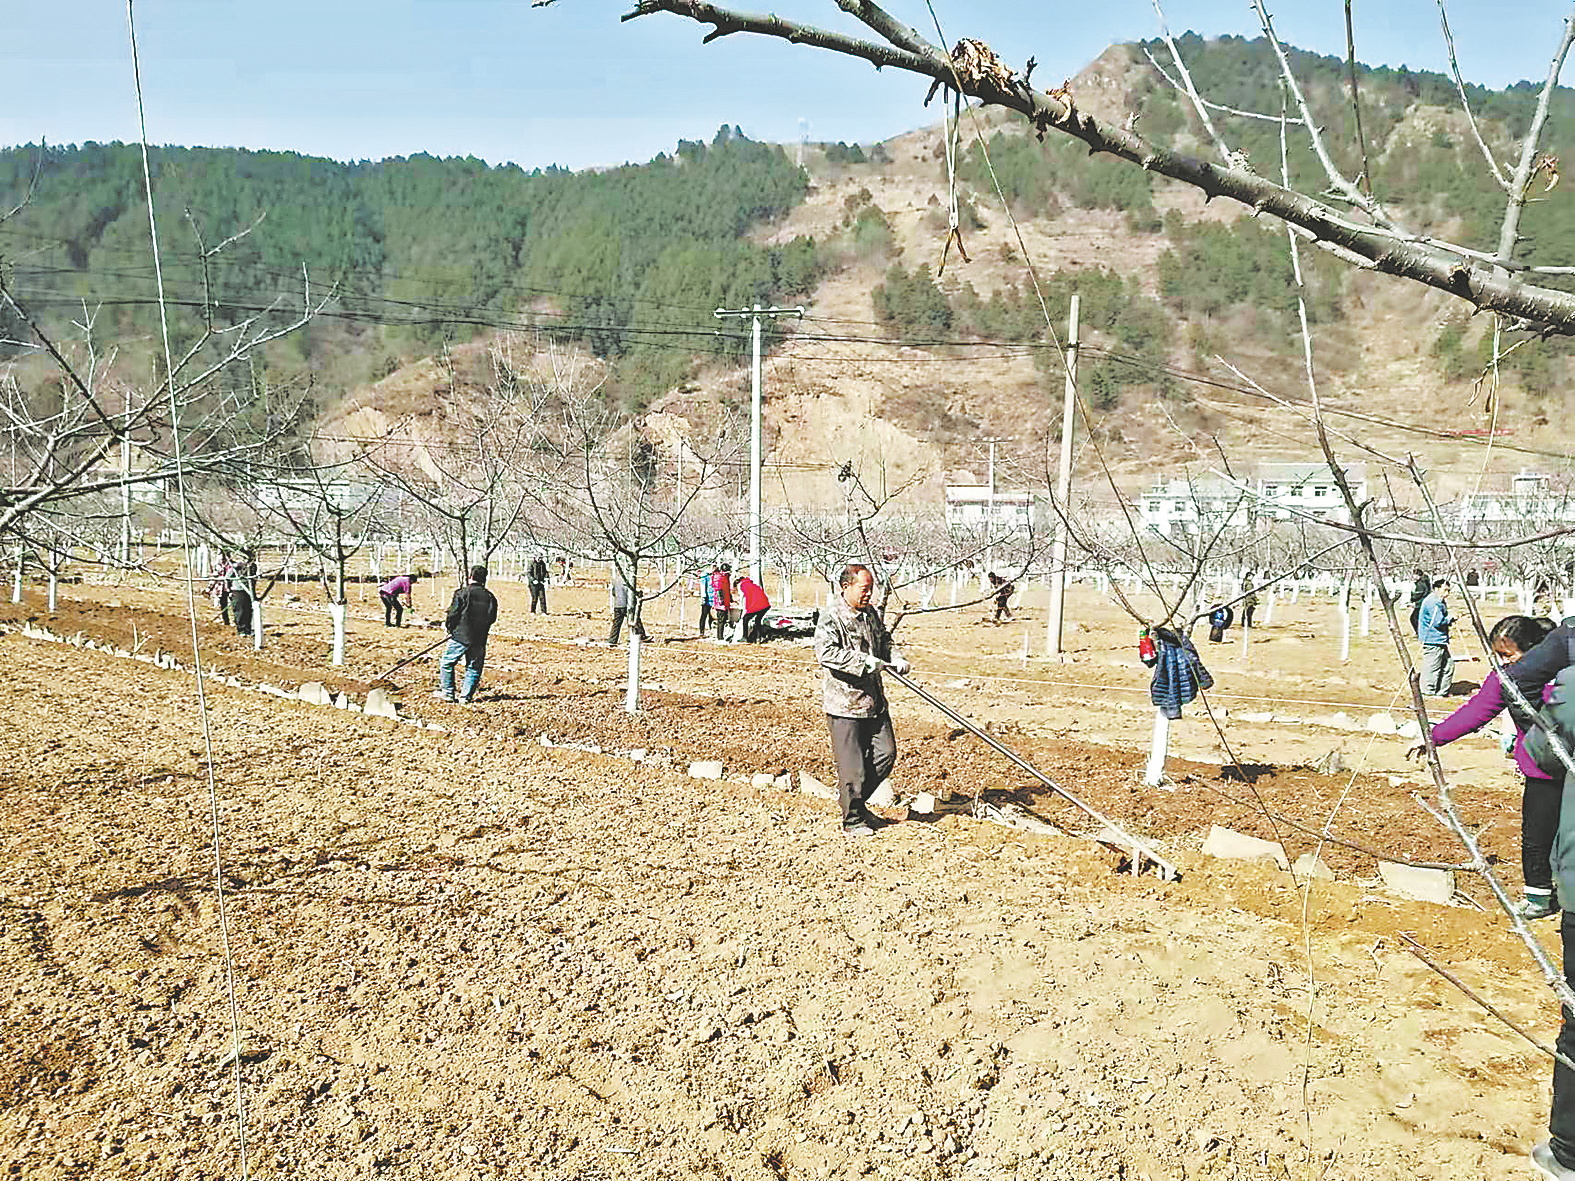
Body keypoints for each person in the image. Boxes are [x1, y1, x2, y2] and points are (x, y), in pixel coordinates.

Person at [1405, 615, 1559, 920]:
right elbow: (1475, 712)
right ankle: (1539, 896)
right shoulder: (1505, 680)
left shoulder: (1563, 676)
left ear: (1536, 651)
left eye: (1508, 654)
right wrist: (1433, 737)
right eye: (1498, 655)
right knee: (1537, 833)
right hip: (1542, 769)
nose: (1503, 661)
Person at [814, 564, 910, 837]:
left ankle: (852, 802)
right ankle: (853, 820)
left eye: (871, 589)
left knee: (886, 754)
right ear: (846, 587)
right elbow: (826, 653)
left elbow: (884, 640)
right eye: (864, 589)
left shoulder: (870, 614)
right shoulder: (832, 616)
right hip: (845, 705)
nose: (869, 594)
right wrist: (863, 662)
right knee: (852, 768)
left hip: (874, 702)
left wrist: (895, 657)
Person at [435, 565, 498, 705]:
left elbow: (453, 614)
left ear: (470, 576)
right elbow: (492, 618)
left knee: (447, 663)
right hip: (479, 638)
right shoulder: (490, 597)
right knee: (474, 667)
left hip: (460, 636)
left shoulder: (462, 593)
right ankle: (465, 697)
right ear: (485, 579)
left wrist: (450, 628)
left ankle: (448, 693)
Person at [1417, 578, 1455, 696]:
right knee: (1432, 668)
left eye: (1448, 590)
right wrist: (1451, 619)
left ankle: (1441, 692)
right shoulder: (1433, 602)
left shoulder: (1440, 601)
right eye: (1445, 590)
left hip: (1440, 639)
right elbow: (1437, 622)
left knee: (1448, 666)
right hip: (1432, 639)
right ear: (1436, 589)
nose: (1447, 593)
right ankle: (1427, 692)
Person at [609, 566, 648, 646]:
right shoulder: (628, 581)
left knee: (616, 624)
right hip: (627, 605)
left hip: (617, 605)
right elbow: (631, 593)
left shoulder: (615, 581)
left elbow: (613, 593)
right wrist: (639, 594)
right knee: (635, 620)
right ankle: (641, 636)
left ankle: (612, 640)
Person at [736, 573, 771, 642]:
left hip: (757, 605)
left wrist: (745, 611)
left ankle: (745, 637)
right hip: (765, 605)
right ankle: (759, 637)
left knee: (745, 619)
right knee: (757, 620)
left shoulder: (742, 585)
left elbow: (746, 598)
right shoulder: (751, 584)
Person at [227, 554, 255, 637]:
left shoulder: (252, 566)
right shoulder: (235, 567)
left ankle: (247, 628)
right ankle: (241, 630)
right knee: (240, 611)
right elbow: (228, 577)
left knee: (248, 610)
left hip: (248, 590)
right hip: (238, 590)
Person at [711, 563, 733, 641]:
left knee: (724, 620)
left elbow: (727, 589)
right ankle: (720, 637)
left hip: (725, 602)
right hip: (720, 603)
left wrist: (730, 599)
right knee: (721, 620)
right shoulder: (719, 577)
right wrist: (721, 600)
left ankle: (722, 635)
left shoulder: (725, 577)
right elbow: (718, 589)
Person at [1409, 567, 1431, 636]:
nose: (1413, 576)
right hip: (1424, 602)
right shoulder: (1425, 581)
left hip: (1421, 603)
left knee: (1413, 618)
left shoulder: (1421, 583)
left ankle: (1419, 633)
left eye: (1414, 575)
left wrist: (1412, 597)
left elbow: (1418, 594)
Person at [698, 564, 717, 636]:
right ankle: (702, 631)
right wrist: (704, 597)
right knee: (704, 615)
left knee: (711, 616)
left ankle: (711, 629)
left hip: (713, 599)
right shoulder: (705, 577)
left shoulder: (713, 576)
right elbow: (703, 588)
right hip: (706, 599)